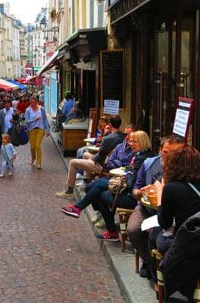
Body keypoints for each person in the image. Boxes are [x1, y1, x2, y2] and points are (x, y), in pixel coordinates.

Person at [59, 131, 154, 242]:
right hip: (129, 191)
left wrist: (127, 174)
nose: (131, 143)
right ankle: (107, 229)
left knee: (99, 190)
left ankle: (80, 209)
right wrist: (129, 170)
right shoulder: (141, 155)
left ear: (142, 142)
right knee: (95, 188)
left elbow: (131, 182)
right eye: (131, 141)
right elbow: (131, 170)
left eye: (134, 141)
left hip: (132, 197)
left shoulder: (140, 157)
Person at [127, 134, 183, 278]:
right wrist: (138, 193)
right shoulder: (149, 163)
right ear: (160, 150)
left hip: (170, 212)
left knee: (159, 233)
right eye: (166, 152)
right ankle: (148, 261)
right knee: (133, 229)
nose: (169, 156)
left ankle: (164, 266)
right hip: (146, 207)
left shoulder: (183, 168)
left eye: (174, 153)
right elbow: (136, 187)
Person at [55, 115, 125, 198]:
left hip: (102, 164)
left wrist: (105, 135)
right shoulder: (122, 136)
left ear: (109, 124)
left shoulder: (108, 138)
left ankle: (69, 191)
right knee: (85, 154)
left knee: (72, 162)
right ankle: (88, 183)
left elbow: (100, 155)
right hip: (110, 162)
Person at [24, 96, 50, 169]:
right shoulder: (28, 110)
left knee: (37, 146)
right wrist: (34, 120)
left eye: (34, 102)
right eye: (31, 102)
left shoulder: (41, 109)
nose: (33, 104)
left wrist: (47, 129)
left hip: (40, 129)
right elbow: (26, 121)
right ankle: (33, 158)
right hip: (31, 129)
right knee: (32, 147)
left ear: (37, 102)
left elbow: (45, 119)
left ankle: (39, 163)